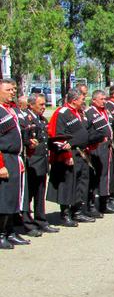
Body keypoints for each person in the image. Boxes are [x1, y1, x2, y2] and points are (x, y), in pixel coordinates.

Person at [47, 88, 95, 227]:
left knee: (81, 182)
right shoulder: (62, 113)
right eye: (82, 99)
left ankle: (78, 211)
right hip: (70, 154)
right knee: (68, 184)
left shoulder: (79, 112)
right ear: (74, 100)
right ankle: (65, 214)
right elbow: (58, 136)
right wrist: (66, 155)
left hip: (82, 153)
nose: (84, 101)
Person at [19, 93, 58, 235]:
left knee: (40, 193)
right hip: (31, 161)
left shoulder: (40, 119)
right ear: (31, 104)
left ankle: (41, 220)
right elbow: (24, 138)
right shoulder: (25, 118)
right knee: (28, 195)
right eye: (41, 104)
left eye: (44, 104)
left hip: (41, 160)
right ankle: (26, 223)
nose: (43, 107)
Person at [0, 79, 28, 248]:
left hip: (14, 158)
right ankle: (1, 233)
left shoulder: (11, 109)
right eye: (8, 89)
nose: (12, 92)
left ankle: (10, 231)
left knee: (14, 197)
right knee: (4, 198)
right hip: (4, 157)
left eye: (14, 89)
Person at [85, 90, 114, 216]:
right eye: (101, 99)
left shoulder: (105, 111)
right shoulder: (89, 112)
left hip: (107, 146)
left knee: (106, 174)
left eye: (105, 99)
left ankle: (104, 202)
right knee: (96, 176)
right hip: (96, 147)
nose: (104, 101)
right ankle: (91, 205)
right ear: (94, 100)